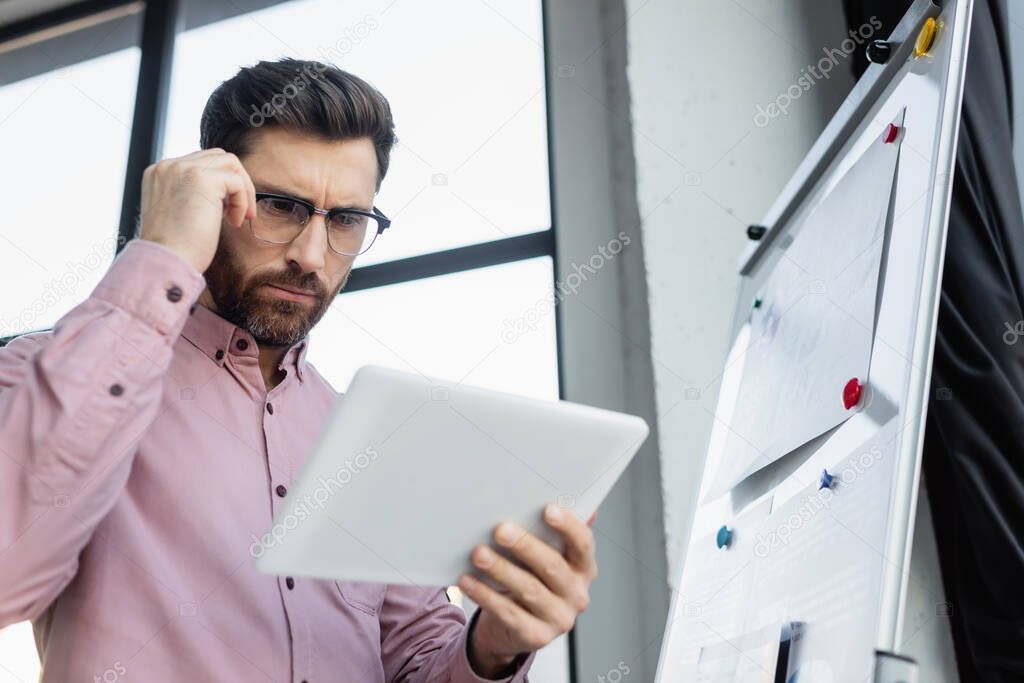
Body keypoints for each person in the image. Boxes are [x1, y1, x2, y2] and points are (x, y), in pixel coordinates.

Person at [0, 58, 596, 682]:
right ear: (215, 194)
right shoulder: (50, 375)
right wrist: (165, 253)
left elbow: (418, 661)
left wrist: (492, 648)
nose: (311, 257)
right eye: (281, 206)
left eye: (344, 220)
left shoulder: (365, 439)